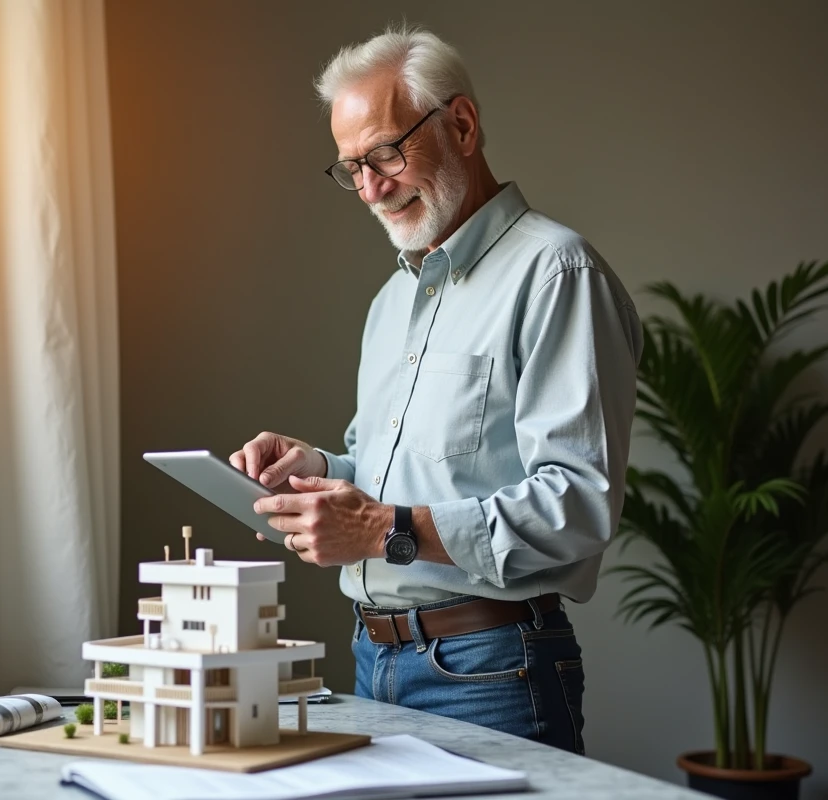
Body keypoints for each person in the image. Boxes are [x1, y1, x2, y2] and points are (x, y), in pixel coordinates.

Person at [230, 26, 642, 755]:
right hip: (371, 658)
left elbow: (577, 504)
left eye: (386, 153)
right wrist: (321, 472)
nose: (370, 189)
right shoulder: (393, 301)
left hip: (492, 669)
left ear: (462, 124)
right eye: (352, 166)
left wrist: (384, 529)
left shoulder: (557, 275)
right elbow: (396, 479)